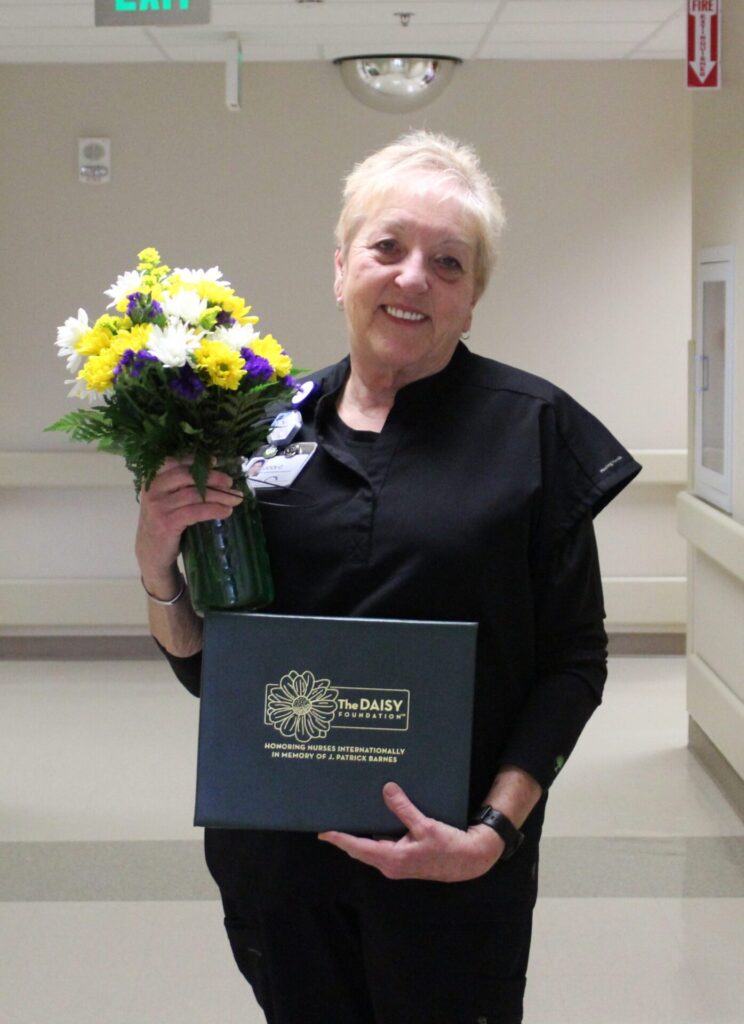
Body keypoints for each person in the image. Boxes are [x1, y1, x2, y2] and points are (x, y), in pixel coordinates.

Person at [135, 130, 641, 1024]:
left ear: (473, 299)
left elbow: (575, 663)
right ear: (340, 268)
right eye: (387, 247)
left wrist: (493, 833)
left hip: (451, 867)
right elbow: (215, 668)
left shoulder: (536, 432)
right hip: (279, 864)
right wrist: (156, 573)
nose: (414, 278)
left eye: (448, 262)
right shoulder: (255, 431)